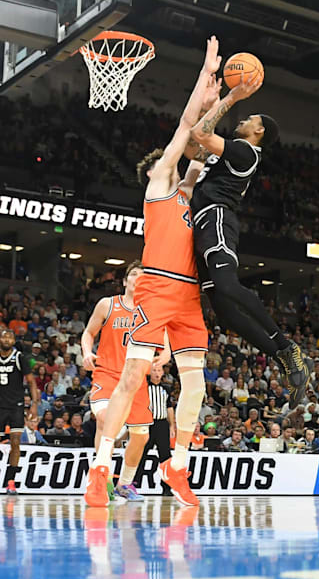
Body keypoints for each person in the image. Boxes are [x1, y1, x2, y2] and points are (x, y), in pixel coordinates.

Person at [84, 37, 223, 508]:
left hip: (189, 297)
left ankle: (177, 467)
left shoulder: (188, 194)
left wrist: (217, 107)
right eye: (179, 161)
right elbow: (187, 130)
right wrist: (207, 84)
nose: (187, 164)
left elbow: (201, 145)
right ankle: (101, 467)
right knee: (133, 375)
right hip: (158, 288)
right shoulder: (159, 185)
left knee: (197, 384)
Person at [187, 61, 313, 407]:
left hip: (216, 219)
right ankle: (285, 356)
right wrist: (208, 104)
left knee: (227, 286)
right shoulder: (233, 148)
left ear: (259, 132)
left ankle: (287, 347)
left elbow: (199, 136)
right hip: (202, 221)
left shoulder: (244, 151)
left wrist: (229, 98)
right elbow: (192, 144)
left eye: (250, 119)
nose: (243, 121)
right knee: (224, 312)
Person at [82, 261, 168, 503]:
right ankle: (103, 477)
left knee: (141, 436)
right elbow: (88, 333)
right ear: (125, 281)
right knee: (104, 418)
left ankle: (125, 484)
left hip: (137, 381)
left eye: (143, 275)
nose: (138, 278)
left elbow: (166, 348)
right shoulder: (107, 304)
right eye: (133, 274)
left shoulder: (151, 313)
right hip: (107, 374)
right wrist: (87, 352)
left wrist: (160, 359)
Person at [0, 329, 37, 496]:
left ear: (13, 340)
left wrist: (33, 404)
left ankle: (11, 482)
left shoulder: (19, 358)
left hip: (16, 406)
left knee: (15, 442)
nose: (6, 339)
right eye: (4, 336)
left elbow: (32, 382)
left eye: (10, 336)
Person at [140, 362, 174, 496]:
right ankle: (132, 485)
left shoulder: (166, 388)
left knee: (166, 457)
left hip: (162, 424)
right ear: (149, 372)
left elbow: (169, 408)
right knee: (140, 455)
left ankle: (166, 487)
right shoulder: (143, 387)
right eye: (154, 370)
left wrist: (172, 425)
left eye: (159, 370)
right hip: (146, 424)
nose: (157, 373)